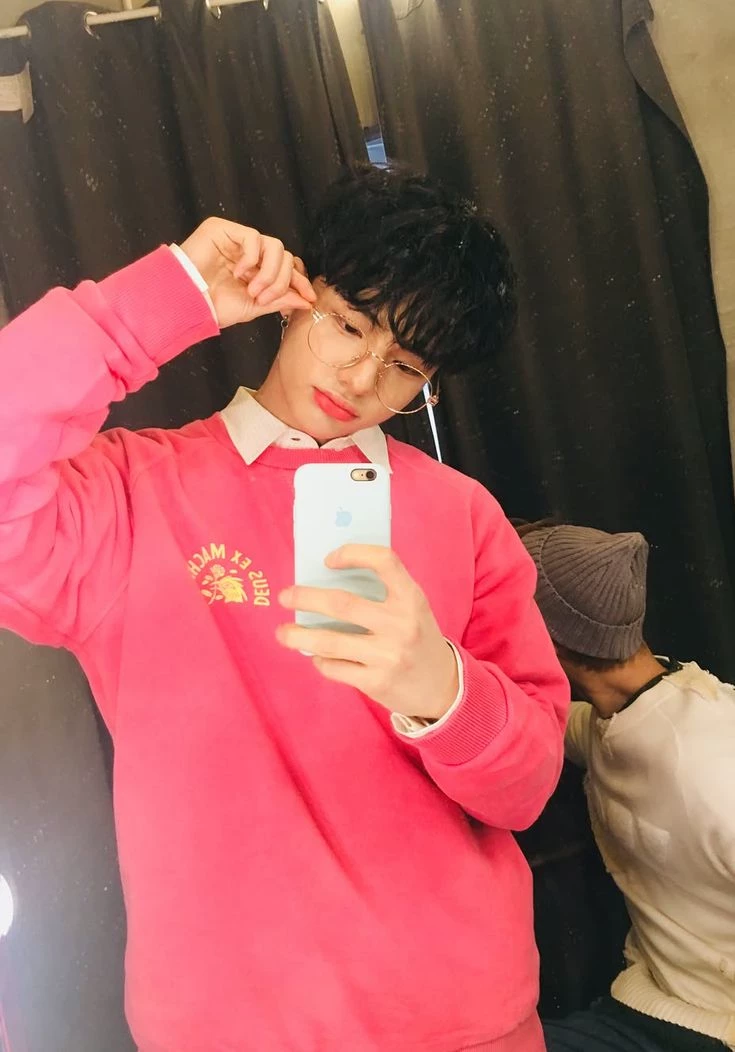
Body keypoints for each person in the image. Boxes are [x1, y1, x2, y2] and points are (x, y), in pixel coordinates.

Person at [0, 165, 569, 1052]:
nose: (362, 375)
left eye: (406, 367)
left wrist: (442, 691)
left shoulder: (463, 516)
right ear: (302, 293)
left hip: (463, 1018)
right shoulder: (130, 494)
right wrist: (163, 301)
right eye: (349, 324)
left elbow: (526, 790)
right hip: (228, 1026)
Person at [517, 522, 735, 1052]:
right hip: (651, 1000)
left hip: (708, 1027)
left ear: (547, 639)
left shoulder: (713, 763)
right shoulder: (622, 716)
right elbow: (559, 728)